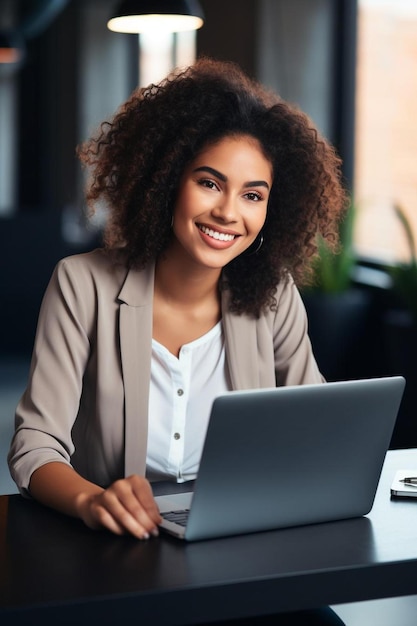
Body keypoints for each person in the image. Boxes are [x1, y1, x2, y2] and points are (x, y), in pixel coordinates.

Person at [8, 58, 347, 624]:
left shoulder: (273, 296)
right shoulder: (82, 283)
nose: (228, 212)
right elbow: (35, 445)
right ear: (167, 179)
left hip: (244, 549)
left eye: (253, 195)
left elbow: (314, 424)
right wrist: (92, 500)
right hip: (119, 553)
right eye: (209, 182)